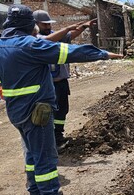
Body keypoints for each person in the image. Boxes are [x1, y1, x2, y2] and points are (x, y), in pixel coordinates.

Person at [0, 5, 124, 195]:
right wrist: (103, 54)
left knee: (32, 155)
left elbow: (43, 42)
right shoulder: (28, 46)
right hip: (36, 110)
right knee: (45, 156)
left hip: (15, 110)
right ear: (28, 24)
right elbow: (71, 52)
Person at [33, 10, 96, 150]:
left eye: (49, 24)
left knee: (62, 110)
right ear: (35, 24)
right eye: (45, 24)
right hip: (47, 85)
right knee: (48, 112)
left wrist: (84, 26)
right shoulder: (35, 39)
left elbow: (70, 35)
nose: (48, 26)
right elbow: (54, 38)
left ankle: (58, 136)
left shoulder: (54, 35)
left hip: (61, 82)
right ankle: (50, 142)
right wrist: (67, 28)